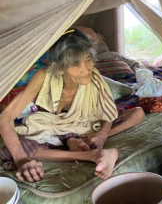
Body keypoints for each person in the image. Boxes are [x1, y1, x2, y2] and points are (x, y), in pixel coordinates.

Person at [0, 29, 145, 182]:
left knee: (138, 113)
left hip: (85, 122)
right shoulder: (44, 76)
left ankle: (82, 141)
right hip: (54, 125)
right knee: (13, 151)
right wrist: (21, 160)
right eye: (75, 63)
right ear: (59, 68)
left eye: (88, 59)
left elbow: (107, 112)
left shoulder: (94, 78)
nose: (86, 68)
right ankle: (92, 154)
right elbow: (5, 117)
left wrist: (102, 135)